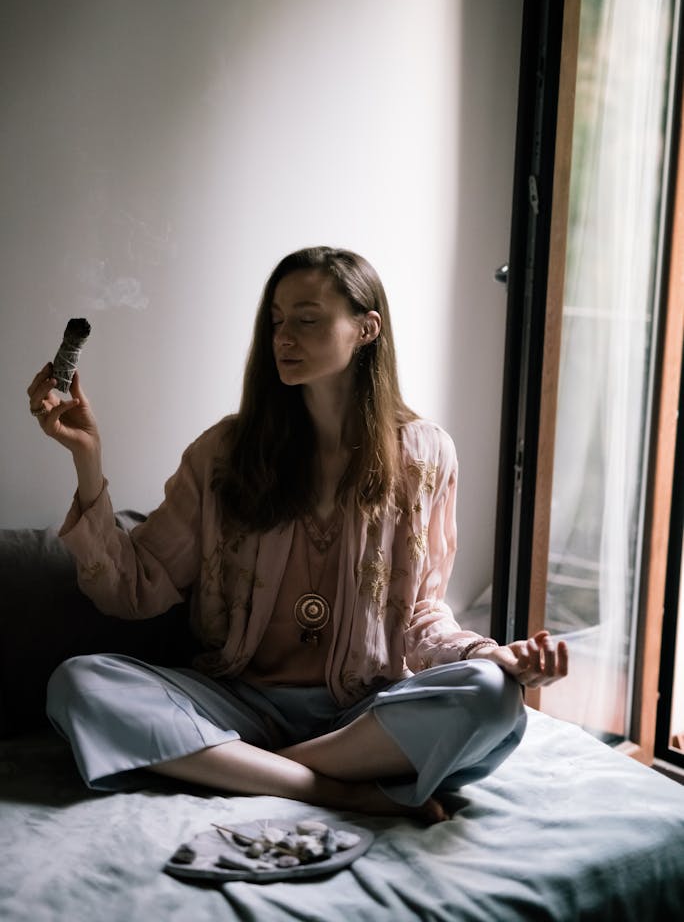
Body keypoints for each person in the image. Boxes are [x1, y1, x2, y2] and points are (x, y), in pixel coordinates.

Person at [28, 247, 568, 823]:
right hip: (236, 701)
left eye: (307, 319)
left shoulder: (426, 454)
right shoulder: (225, 454)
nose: (283, 337)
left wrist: (493, 655)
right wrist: (88, 461)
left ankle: (251, 769)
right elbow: (132, 588)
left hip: (360, 717)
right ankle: (331, 790)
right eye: (277, 321)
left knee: (492, 696)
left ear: (366, 328)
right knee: (78, 683)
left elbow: (419, 617)